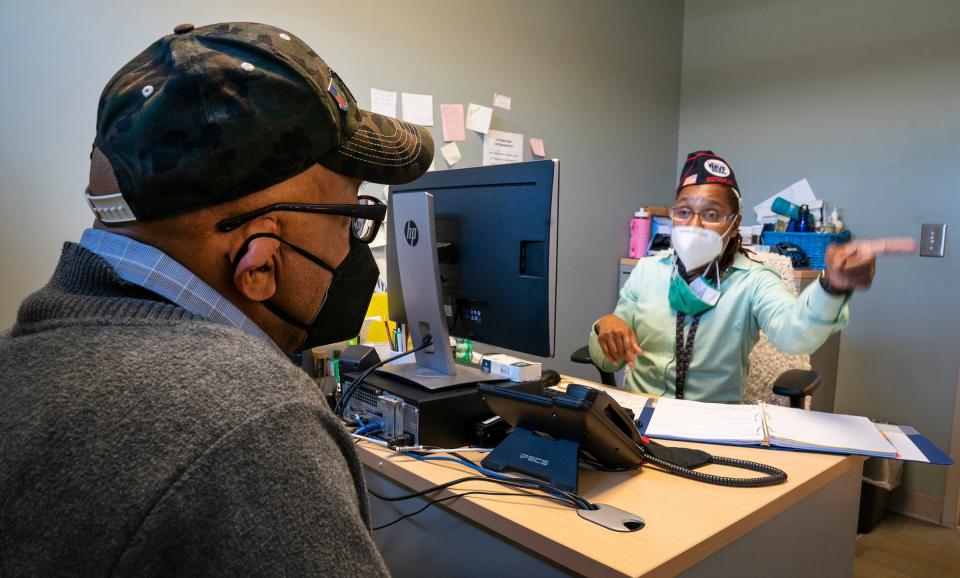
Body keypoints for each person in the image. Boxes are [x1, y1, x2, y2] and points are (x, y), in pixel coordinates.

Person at [0, 22, 435, 576]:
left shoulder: (15, 363)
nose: (353, 246)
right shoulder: (256, 424)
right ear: (260, 262)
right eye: (352, 218)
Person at [589, 151, 916, 403]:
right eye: (685, 211)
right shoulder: (647, 271)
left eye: (712, 214)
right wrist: (605, 328)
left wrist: (831, 286)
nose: (694, 225)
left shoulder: (755, 280)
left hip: (711, 433)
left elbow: (796, 334)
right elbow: (608, 359)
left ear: (734, 224)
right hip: (637, 428)